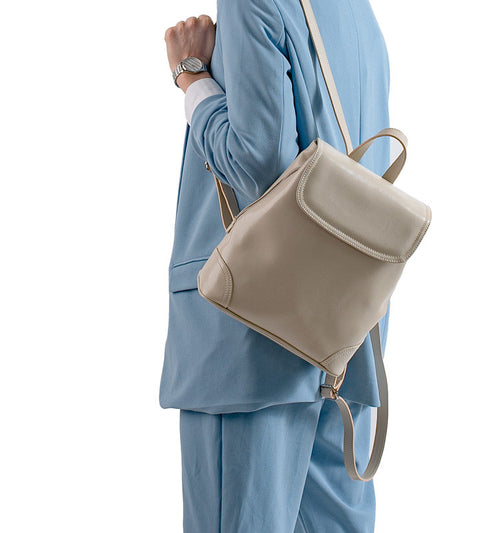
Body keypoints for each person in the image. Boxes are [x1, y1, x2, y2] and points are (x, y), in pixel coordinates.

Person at [161, 0, 391, 531]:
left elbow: (261, 166)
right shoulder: (357, 13)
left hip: (252, 339)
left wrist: (193, 79)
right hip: (344, 335)